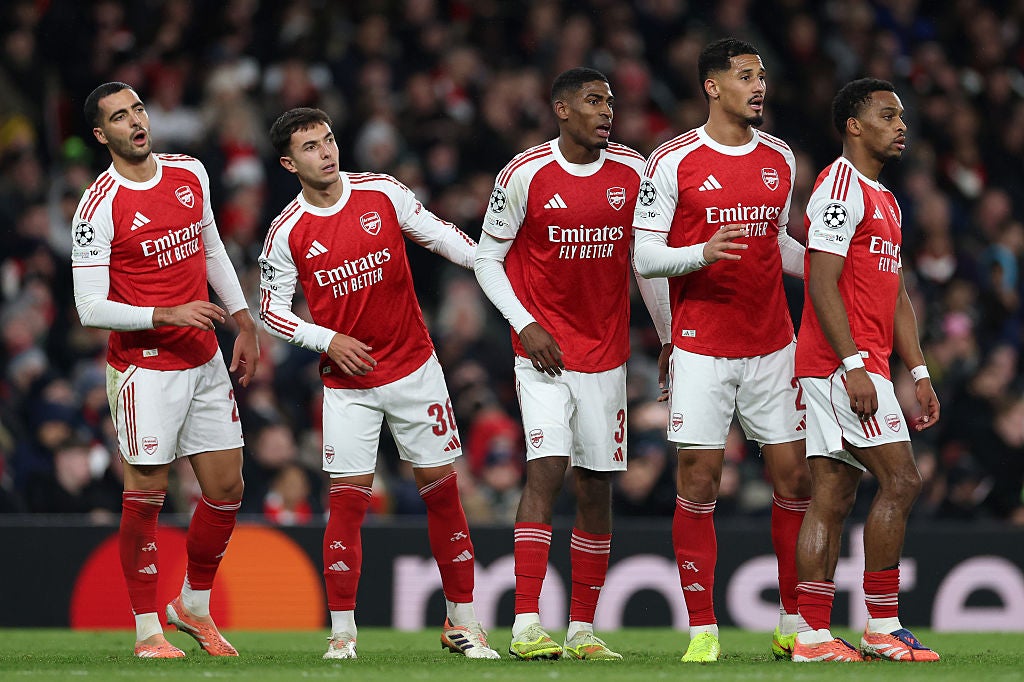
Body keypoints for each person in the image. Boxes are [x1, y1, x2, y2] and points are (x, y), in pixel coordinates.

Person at [258, 107, 499, 661]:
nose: (326, 152)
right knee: (346, 504)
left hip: (415, 370)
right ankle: (343, 633)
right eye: (311, 146)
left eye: (329, 139)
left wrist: (490, 268)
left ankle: (462, 623)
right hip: (347, 386)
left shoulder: (383, 193)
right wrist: (327, 341)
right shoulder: (287, 231)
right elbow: (272, 310)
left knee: (444, 494)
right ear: (289, 162)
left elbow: (441, 237)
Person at [475, 67, 672, 661]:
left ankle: (583, 629)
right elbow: (487, 259)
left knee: (595, 488)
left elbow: (647, 258)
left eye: (610, 102)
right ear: (561, 109)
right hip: (543, 355)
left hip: (606, 357)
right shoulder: (524, 174)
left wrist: (666, 336)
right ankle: (527, 622)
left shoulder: (635, 173)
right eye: (593, 101)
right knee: (547, 470)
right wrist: (525, 323)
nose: (607, 111)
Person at [632, 38, 810, 662]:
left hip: (772, 344)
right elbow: (645, 256)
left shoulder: (780, 157)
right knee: (700, 480)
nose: (758, 86)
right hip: (703, 345)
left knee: (796, 477)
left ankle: (794, 623)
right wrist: (699, 256)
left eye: (761, 75)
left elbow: (778, 242)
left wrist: (824, 267)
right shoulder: (671, 161)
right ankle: (703, 629)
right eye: (744, 76)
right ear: (712, 86)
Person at [71, 82, 258, 659]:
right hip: (144, 369)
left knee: (227, 488)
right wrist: (168, 310)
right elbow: (89, 307)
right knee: (147, 493)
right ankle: (147, 627)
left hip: (203, 359)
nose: (136, 122)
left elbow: (210, 249)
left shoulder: (189, 172)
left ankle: (194, 606)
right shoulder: (97, 205)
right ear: (102, 135)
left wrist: (243, 317)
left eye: (139, 110)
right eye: (120, 117)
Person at [791, 78, 941, 663]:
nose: (900, 125)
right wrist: (853, 365)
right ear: (854, 124)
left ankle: (812, 637)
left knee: (832, 494)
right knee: (902, 480)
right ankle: (881, 626)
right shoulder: (837, 189)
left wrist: (921, 372)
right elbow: (821, 281)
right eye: (887, 115)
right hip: (839, 364)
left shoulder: (886, 197)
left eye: (901, 115)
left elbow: (896, 294)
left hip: (865, 361)